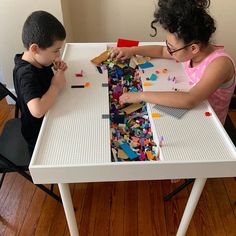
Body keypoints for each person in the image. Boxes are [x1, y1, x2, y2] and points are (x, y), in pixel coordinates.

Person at [111, 0, 235, 126]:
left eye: (172, 48)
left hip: (210, 124)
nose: (169, 50)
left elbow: (190, 99)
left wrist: (141, 96)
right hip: (192, 111)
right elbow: (161, 51)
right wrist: (132, 50)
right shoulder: (190, 51)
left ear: (193, 48)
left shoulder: (220, 64)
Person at [13, 11, 67, 155]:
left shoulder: (38, 59)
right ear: (35, 48)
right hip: (38, 135)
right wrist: (55, 86)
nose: (58, 55)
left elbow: (45, 72)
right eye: (55, 51)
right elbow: (37, 111)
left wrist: (56, 66)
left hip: (51, 116)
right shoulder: (25, 74)